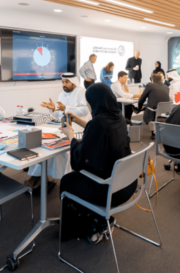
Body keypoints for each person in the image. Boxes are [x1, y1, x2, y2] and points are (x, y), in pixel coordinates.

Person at [58, 83, 137, 243]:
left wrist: (71, 136)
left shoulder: (99, 124)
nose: (88, 104)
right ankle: (96, 219)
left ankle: (91, 224)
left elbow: (79, 158)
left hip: (109, 191)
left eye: (89, 101)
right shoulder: (118, 117)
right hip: (127, 184)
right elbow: (99, 130)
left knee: (68, 180)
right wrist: (78, 119)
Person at [27, 73, 92, 191]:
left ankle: (62, 176)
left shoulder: (81, 91)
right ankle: (39, 176)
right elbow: (59, 115)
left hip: (79, 126)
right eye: (63, 82)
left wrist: (65, 108)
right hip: (64, 125)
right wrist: (53, 109)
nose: (64, 84)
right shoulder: (61, 95)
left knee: (59, 145)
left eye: (67, 82)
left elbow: (84, 110)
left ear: (73, 82)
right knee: (45, 143)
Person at [137, 73, 171, 140]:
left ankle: (153, 133)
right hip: (164, 112)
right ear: (161, 80)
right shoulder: (166, 87)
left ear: (152, 80)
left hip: (153, 111)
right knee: (150, 106)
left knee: (147, 108)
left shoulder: (150, 85)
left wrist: (139, 107)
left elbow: (142, 99)